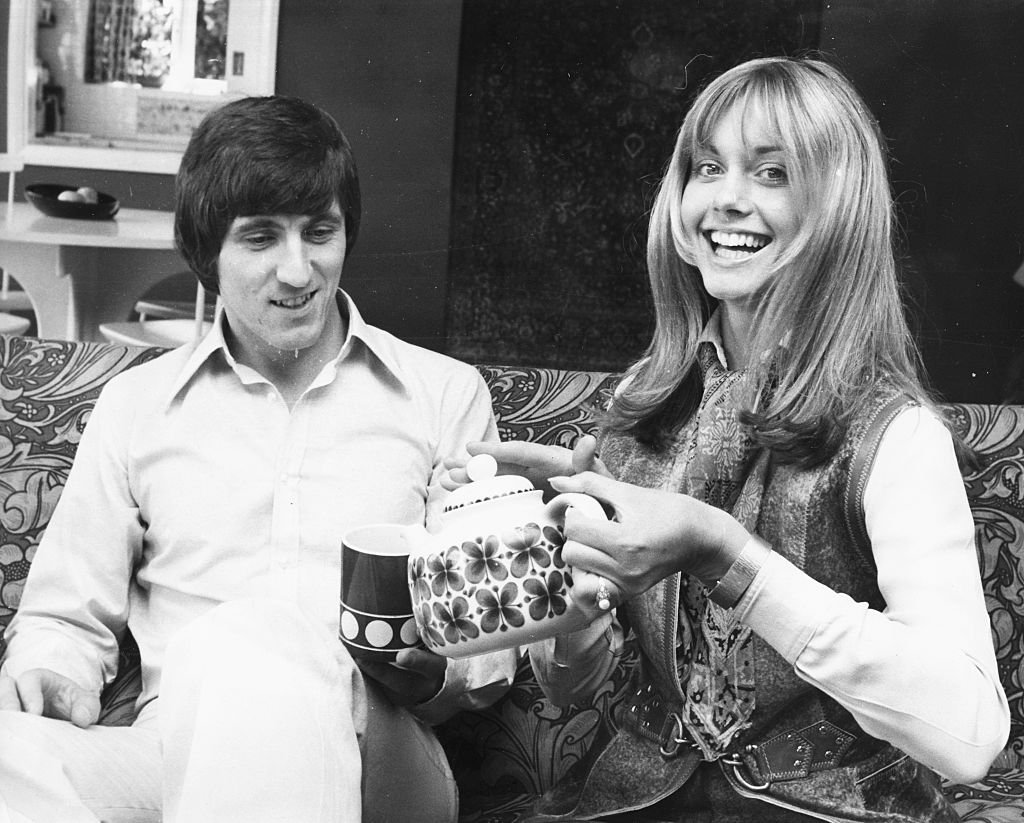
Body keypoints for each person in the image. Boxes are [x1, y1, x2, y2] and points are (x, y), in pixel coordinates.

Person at [445, 56, 1010, 822]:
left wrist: (729, 555)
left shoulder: (895, 433)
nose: (727, 199)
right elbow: (575, 689)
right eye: (708, 166)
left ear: (838, 206)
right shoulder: (644, 402)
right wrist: (559, 583)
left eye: (772, 173)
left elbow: (972, 734)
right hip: (633, 800)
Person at [0, 95, 514, 823]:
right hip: (173, 754)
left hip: (379, 754)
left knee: (250, 636)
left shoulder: (441, 395)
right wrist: (48, 674)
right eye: (261, 238)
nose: (298, 270)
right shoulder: (136, 406)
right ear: (208, 255)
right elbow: (61, 615)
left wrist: (441, 666)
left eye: (320, 232)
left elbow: (490, 639)